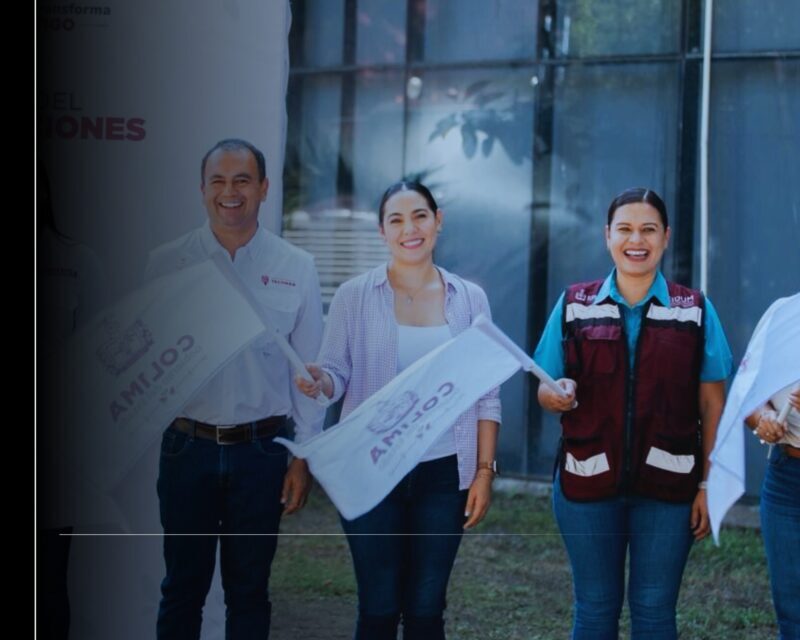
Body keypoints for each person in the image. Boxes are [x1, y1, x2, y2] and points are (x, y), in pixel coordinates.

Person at [295, 181, 501, 640]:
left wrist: (484, 472)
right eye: (396, 219)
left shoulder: (470, 299)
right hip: (371, 468)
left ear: (438, 221)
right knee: (379, 608)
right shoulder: (353, 296)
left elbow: (486, 393)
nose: (410, 228)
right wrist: (320, 381)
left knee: (427, 610)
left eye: (420, 216)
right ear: (382, 231)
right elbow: (333, 372)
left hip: (445, 475)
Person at [145, 138, 325, 639]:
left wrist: (301, 458)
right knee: (182, 588)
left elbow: (311, 378)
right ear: (202, 190)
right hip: (187, 448)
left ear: (264, 189)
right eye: (219, 181)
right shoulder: (165, 264)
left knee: (249, 593)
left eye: (242, 180)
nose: (230, 192)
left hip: (261, 452)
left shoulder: (296, 267)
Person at [533, 187, 732, 640]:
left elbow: (712, 402)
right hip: (586, 484)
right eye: (624, 229)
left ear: (665, 237)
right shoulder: (574, 304)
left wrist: (708, 483)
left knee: (655, 613)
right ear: (607, 236)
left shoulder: (695, 310)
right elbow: (546, 387)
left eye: (647, 229)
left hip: (670, 491)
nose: (635, 239)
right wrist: (556, 394)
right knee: (595, 611)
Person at [745, 372, 799, 638]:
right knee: (791, 613)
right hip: (785, 477)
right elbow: (749, 391)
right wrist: (763, 417)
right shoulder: (776, 329)